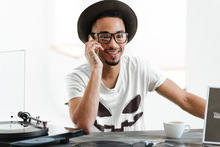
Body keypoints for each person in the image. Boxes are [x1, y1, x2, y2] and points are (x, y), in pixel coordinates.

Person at [65, 0, 206, 134]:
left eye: (119, 36)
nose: (114, 44)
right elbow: (83, 125)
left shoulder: (140, 67)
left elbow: (185, 100)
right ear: (92, 40)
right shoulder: (77, 77)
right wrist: (96, 69)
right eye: (104, 36)